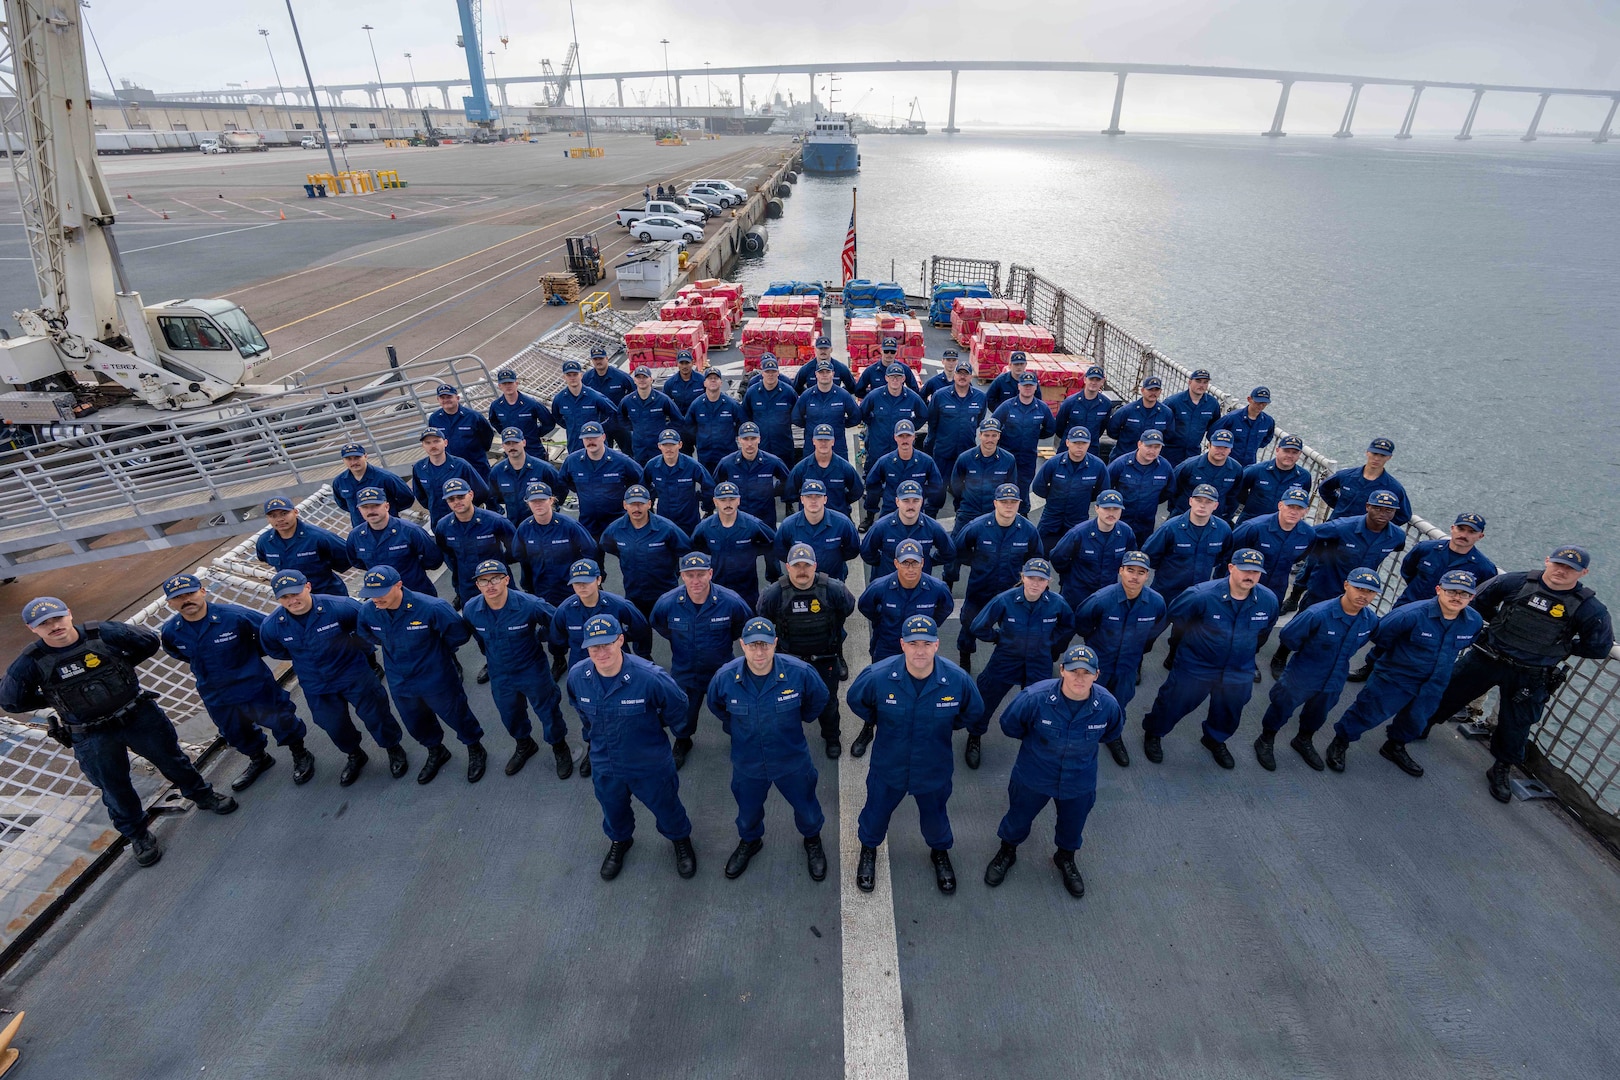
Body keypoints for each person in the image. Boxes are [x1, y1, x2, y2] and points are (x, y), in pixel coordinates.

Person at [2, 597, 237, 868]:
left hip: (138, 716)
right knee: (114, 787)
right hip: (92, 734)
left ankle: (202, 795)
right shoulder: (31, 663)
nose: (53, 626)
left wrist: (122, 665)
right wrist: (54, 698)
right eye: (43, 624)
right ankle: (138, 836)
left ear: (68, 613)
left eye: (56, 618)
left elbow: (147, 642)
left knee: (172, 759)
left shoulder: (104, 633)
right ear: (33, 629)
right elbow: (11, 701)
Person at [1423, 548, 1613, 801]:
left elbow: (1599, 646)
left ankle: (1501, 767)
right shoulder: (1515, 582)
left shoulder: (1589, 608)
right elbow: (1479, 601)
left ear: (1584, 573)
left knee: (1517, 724)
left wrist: (1560, 647)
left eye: (1570, 568)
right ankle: (1419, 726)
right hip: (1487, 657)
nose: (1561, 570)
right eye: (1558, 563)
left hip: (1530, 674)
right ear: (1547, 561)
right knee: (1448, 693)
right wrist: (1500, 622)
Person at [847, 615, 985, 895]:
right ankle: (869, 850)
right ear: (902, 644)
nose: (919, 650)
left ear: (937, 645)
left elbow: (972, 712)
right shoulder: (878, 676)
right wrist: (878, 720)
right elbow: (856, 700)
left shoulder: (956, 680)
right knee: (875, 813)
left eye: (926, 643)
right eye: (912, 643)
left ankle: (939, 853)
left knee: (935, 817)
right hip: (889, 764)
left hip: (933, 766)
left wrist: (944, 725)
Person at [983, 644, 1124, 898]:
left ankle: (1065, 858)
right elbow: (1009, 725)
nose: (1079, 678)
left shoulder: (1108, 705)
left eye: (1086, 672)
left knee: (1073, 825)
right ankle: (1008, 851)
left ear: (1097, 674)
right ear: (1061, 670)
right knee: (1018, 817)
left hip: (1078, 780)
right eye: (1073, 671)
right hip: (1034, 775)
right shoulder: (1034, 698)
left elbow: (1111, 734)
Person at [567, 613, 698, 880]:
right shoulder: (578, 676)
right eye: (594, 646)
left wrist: (652, 725)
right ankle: (620, 841)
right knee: (612, 808)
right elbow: (582, 712)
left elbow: (678, 707)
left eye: (607, 644)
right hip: (606, 762)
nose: (601, 652)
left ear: (621, 641)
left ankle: (680, 840)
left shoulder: (650, 677)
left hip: (648, 761)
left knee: (666, 806)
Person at [159, 574, 314, 790]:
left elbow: (268, 633)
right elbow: (177, 652)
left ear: (202, 591)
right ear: (170, 603)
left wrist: (250, 660)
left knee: (281, 720)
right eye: (178, 597)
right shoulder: (171, 631)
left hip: (253, 686)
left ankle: (300, 753)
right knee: (235, 732)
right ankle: (259, 759)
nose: (186, 600)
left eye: (190, 593)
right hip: (216, 694)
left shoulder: (234, 616)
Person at [1328, 570, 1486, 778]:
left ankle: (1395, 746)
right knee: (1369, 711)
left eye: (1463, 594)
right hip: (1396, 677)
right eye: (1451, 591)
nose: (1457, 597)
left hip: (1434, 682)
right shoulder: (1410, 615)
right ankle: (1341, 742)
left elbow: (1465, 642)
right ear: (1439, 590)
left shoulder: (1473, 621)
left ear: (1472, 597)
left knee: (1416, 719)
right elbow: (1381, 636)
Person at [706, 618, 831, 880]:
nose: (759, 652)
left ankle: (812, 840)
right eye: (753, 646)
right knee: (748, 810)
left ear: (776, 643)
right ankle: (751, 841)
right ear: (742, 645)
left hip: (791, 758)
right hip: (748, 761)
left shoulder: (800, 672)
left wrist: (800, 719)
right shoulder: (725, 678)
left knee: (807, 807)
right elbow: (717, 706)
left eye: (765, 645)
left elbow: (818, 698)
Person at [259, 570, 406, 786]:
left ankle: (393, 747)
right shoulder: (272, 626)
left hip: (353, 674)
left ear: (307, 586)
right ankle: (355, 754)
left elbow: (366, 626)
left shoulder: (340, 607)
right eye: (285, 597)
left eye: (295, 593)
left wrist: (359, 650)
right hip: (316, 684)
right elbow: (276, 650)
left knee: (377, 715)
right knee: (333, 725)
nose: (292, 600)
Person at [1140, 549, 1281, 769]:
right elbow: (1176, 617)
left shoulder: (1268, 600)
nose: (1250, 576)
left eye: (1256, 572)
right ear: (1231, 568)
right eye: (1245, 569)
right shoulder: (1201, 595)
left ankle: (1215, 739)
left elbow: (1264, 631)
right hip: (1197, 664)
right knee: (1174, 703)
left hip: (1238, 668)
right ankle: (1154, 733)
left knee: (1230, 709)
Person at [354, 566, 487, 784]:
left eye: (381, 593)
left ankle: (475, 748)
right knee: (416, 722)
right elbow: (367, 634)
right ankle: (436, 751)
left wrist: (438, 653)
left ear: (398, 585)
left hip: (436, 676)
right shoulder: (369, 611)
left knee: (456, 715)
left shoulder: (431, 607)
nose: (375, 599)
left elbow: (459, 635)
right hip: (400, 681)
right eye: (370, 594)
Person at [1252, 568, 1382, 771]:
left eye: (1370, 592)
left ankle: (1303, 739)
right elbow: (1289, 637)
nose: (1364, 596)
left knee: (1319, 712)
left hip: (1336, 675)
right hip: (1305, 671)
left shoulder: (1370, 620)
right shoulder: (1318, 613)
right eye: (1359, 588)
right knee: (1283, 706)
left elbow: (1361, 641)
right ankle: (1266, 739)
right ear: (1346, 585)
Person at [1349, 512, 1496, 682]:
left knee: (1427, 649)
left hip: (1444, 617)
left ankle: (1404, 679)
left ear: (1480, 536)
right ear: (1452, 528)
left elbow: (1481, 596)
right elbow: (1408, 570)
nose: (1464, 535)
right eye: (1461, 529)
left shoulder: (1484, 568)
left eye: (1471, 532)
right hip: (1411, 603)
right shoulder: (1426, 549)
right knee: (1389, 637)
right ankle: (1370, 667)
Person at [461, 560, 574, 779]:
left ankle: (559, 746)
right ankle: (525, 744)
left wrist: (545, 638)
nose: (490, 585)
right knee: (510, 714)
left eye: (495, 579)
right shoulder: (472, 609)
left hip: (532, 669)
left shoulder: (529, 604)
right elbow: (478, 637)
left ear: (506, 580)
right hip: (500, 672)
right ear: (477, 585)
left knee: (548, 711)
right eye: (483, 581)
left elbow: (558, 622)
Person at [650, 552, 753, 770]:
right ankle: (683, 740)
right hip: (686, 670)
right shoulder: (667, 603)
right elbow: (659, 624)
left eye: (700, 574)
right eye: (689, 575)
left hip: (722, 669)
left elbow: (743, 627)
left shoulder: (731, 601)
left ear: (710, 573)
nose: (695, 581)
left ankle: (739, 740)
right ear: (682, 576)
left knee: (733, 710)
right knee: (683, 712)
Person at [967, 559, 1076, 762]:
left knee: (1041, 704)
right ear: (1022, 577)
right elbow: (978, 626)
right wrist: (999, 638)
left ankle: (1035, 740)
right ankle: (975, 735)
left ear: (1048, 582)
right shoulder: (1004, 600)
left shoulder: (1057, 604)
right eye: (1031, 578)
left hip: (1039, 662)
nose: (1035, 584)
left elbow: (1068, 625)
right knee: (987, 698)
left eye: (1041, 579)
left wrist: (1049, 641)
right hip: (1006, 659)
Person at [757, 543, 859, 758]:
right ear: (787, 566)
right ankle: (788, 741)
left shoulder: (833, 589)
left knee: (828, 703)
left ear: (815, 566)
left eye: (806, 565)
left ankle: (832, 738)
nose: (801, 570)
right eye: (796, 565)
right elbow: (763, 622)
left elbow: (847, 608)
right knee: (786, 704)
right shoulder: (774, 594)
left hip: (825, 659)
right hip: (788, 662)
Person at [1277, 489, 1406, 647]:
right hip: (1326, 584)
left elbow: (1400, 549)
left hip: (1357, 590)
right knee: (1304, 621)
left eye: (1389, 510)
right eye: (1377, 508)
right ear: (1367, 507)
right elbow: (1310, 534)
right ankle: (1281, 654)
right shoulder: (1342, 527)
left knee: (1337, 627)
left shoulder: (1397, 536)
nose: (1383, 513)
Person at [946, 484, 1044, 673]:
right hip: (980, 587)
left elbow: (1036, 558)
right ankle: (965, 658)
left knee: (1013, 629)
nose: (1008, 506)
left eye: (1013, 502)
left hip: (1010, 589)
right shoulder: (978, 526)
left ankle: (1006, 664)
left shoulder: (1028, 530)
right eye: (1004, 502)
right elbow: (959, 549)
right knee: (970, 625)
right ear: (995, 503)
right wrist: (976, 563)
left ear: (1018, 504)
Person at [1142, 484, 1234, 667]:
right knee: (1150, 631)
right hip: (1166, 591)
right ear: (1190, 501)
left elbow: (1224, 556)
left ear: (1215, 506)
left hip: (1197, 594)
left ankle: (1173, 657)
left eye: (1208, 502)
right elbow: (1149, 555)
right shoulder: (1171, 527)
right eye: (1199, 500)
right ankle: (1136, 663)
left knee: (1184, 632)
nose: (1202, 505)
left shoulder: (1223, 529)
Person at [1075, 551, 1168, 719]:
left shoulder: (1156, 602)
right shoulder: (1101, 599)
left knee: (1119, 703)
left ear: (1147, 575)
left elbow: (1156, 628)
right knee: (1088, 699)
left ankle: (1113, 733)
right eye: (1130, 570)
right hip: (1100, 662)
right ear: (1120, 571)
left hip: (1129, 665)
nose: (1135, 576)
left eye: (1141, 572)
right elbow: (1083, 623)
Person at [1229, 487, 1316, 655]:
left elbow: (1299, 556)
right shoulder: (1254, 527)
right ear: (1280, 505)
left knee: (1264, 623)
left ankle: (1249, 657)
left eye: (1299, 508)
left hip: (1276, 586)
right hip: (1242, 583)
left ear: (1306, 511)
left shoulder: (1308, 534)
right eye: (1290, 506)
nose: (1294, 512)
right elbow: (1229, 551)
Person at [857, 538, 956, 668]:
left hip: (919, 649)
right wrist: (881, 620)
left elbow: (946, 607)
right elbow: (865, 606)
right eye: (905, 563)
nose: (910, 569)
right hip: (888, 645)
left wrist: (931, 624)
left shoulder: (938, 588)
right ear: (896, 563)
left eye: (915, 563)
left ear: (922, 563)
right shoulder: (879, 587)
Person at [513, 481, 600, 626]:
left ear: (551, 500)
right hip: (542, 589)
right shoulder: (524, 529)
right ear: (527, 503)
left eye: (542, 500)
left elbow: (590, 550)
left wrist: (588, 579)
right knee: (552, 631)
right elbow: (520, 556)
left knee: (577, 626)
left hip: (570, 588)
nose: (538, 504)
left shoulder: (569, 525)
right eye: (534, 501)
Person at [599, 486, 692, 618]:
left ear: (649, 504)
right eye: (632, 504)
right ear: (625, 505)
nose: (637, 509)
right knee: (640, 634)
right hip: (634, 592)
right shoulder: (615, 529)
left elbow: (686, 549)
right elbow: (608, 546)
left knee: (676, 634)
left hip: (666, 592)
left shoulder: (667, 528)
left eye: (641, 504)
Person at [549, 559, 652, 672]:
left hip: (615, 661)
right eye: (577, 583)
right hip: (582, 662)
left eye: (587, 581)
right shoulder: (564, 610)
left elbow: (640, 628)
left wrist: (619, 638)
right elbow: (557, 638)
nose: (582, 586)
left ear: (598, 580)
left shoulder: (619, 604)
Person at [434, 478, 517, 615]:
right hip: (468, 585)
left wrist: (500, 563)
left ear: (471, 494)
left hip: (497, 581)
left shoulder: (495, 521)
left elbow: (515, 549)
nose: (457, 502)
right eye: (451, 499)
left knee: (511, 616)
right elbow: (447, 553)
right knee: (476, 622)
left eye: (461, 496)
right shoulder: (444, 527)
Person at [690, 481, 776, 609]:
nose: (728, 504)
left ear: (738, 501)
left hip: (747, 590)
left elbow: (772, 544)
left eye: (732, 499)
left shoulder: (753, 524)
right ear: (715, 502)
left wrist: (754, 552)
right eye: (723, 500)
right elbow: (695, 547)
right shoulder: (705, 527)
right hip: (717, 588)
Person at [346, 486, 445, 596]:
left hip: (416, 593)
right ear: (359, 510)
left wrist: (414, 570)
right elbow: (356, 561)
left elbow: (433, 559)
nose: (370, 511)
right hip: (382, 597)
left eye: (376, 506)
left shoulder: (410, 531)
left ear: (387, 506)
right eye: (365, 507)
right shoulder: (355, 537)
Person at [1049, 490, 1138, 612]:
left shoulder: (1126, 532)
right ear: (1096, 508)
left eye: (1116, 509)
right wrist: (1070, 577)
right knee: (1069, 626)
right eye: (1106, 508)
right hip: (1077, 593)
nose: (1111, 513)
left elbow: (1130, 560)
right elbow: (1057, 558)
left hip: (1107, 592)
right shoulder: (1078, 533)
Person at [255, 497, 352, 597]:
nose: (280, 519)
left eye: (284, 513)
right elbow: (263, 557)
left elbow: (347, 557)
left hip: (329, 595)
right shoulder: (265, 542)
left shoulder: (320, 537)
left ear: (295, 512)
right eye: (273, 516)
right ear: (268, 519)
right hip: (295, 600)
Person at [1031, 425, 1108, 552]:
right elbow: (1038, 487)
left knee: (1074, 557)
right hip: (1052, 517)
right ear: (1067, 442)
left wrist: (1084, 498)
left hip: (1077, 519)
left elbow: (1101, 492)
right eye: (1075, 442)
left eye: (1083, 443)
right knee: (1040, 553)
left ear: (1089, 444)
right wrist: (1053, 498)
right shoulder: (1053, 463)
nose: (1079, 446)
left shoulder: (1098, 466)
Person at [560, 421, 644, 537]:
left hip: (617, 522)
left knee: (625, 554)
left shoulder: (622, 461)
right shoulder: (572, 461)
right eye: (587, 438)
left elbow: (642, 481)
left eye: (594, 437)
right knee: (591, 554)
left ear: (603, 437)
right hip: (589, 523)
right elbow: (562, 483)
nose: (591, 441)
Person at [860, 480, 955, 576]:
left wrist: (928, 562)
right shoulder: (881, 526)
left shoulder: (933, 527)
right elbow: (867, 552)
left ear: (921, 501)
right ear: (897, 502)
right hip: (888, 584)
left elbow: (948, 552)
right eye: (905, 500)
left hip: (919, 585)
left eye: (915, 500)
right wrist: (884, 564)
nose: (910, 506)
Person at [992, 372, 1058, 509]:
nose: (1027, 388)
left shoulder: (1042, 408)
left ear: (1035, 387)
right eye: (1025, 385)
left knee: (1023, 488)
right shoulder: (1007, 406)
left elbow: (1050, 428)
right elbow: (993, 426)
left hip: (1027, 457)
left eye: (1031, 385)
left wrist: (1034, 436)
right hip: (1006, 456)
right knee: (1002, 487)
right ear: (1019, 386)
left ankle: (1022, 513)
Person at [923, 358, 988, 498]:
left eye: (966, 374)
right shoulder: (940, 396)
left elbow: (978, 420)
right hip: (943, 452)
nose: (962, 377)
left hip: (965, 452)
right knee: (937, 492)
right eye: (960, 373)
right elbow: (933, 421)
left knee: (961, 493)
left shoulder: (980, 397)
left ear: (971, 376)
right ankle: (930, 515)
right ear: (955, 375)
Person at [774, 479, 861, 582]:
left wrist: (835, 560)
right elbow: (780, 550)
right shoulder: (788, 525)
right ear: (802, 499)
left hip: (833, 580)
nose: (813, 501)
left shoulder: (842, 523)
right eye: (808, 496)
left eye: (818, 496)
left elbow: (853, 549)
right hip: (802, 580)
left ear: (825, 499)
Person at [858, 365, 928, 492]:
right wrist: (873, 424)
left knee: (898, 477)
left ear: (903, 379)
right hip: (878, 444)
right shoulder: (874, 396)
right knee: (873, 477)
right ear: (886, 378)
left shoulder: (912, 397)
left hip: (899, 446)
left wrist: (911, 429)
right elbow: (862, 412)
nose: (895, 380)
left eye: (898, 377)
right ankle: (871, 498)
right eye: (892, 377)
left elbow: (923, 415)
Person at [947, 418, 1019, 542]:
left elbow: (1011, 487)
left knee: (993, 548)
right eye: (986, 435)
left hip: (994, 513)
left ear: (999, 436)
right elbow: (955, 486)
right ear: (980, 435)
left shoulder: (1008, 460)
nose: (990, 439)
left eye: (994, 435)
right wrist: (962, 505)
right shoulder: (965, 458)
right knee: (955, 547)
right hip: (968, 511)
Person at [411, 427, 491, 532]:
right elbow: (420, 495)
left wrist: (465, 507)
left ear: (445, 443)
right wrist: (434, 506)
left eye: (436, 441)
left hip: (466, 520)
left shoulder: (461, 465)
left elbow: (482, 492)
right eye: (428, 443)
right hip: (439, 522)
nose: (433, 446)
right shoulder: (419, 468)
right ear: (423, 446)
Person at [1319, 437, 1412, 525]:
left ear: (1389, 457)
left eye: (1382, 455)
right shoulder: (1346, 476)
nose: (1377, 458)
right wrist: (1339, 506)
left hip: (1364, 535)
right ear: (1367, 453)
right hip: (1337, 527)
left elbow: (1404, 515)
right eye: (1374, 454)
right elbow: (1325, 488)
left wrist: (1379, 526)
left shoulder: (1393, 487)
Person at [1104, 427, 1175, 542]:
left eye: (1157, 447)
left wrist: (1150, 501)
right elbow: (1105, 487)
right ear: (1139, 444)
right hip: (1120, 521)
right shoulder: (1121, 464)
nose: (1152, 451)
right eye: (1148, 446)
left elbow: (1168, 491)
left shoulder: (1165, 467)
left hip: (1146, 524)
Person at [863, 420, 944, 520]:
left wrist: (919, 494)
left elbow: (937, 486)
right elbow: (871, 483)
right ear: (895, 437)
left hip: (914, 512)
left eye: (908, 436)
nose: (904, 440)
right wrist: (887, 494)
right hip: (890, 510)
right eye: (901, 436)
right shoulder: (885, 462)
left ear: (914, 437)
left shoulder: (926, 462)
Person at [717, 422, 791, 529]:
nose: (749, 443)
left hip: (765, 520)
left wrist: (773, 491)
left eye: (753, 438)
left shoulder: (772, 462)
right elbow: (715, 485)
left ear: (759, 439)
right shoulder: (727, 463)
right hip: (737, 521)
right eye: (745, 439)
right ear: (739, 440)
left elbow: (788, 482)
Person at [486, 428, 565, 528]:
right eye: (508, 443)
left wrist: (552, 509)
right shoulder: (497, 472)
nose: (512, 447)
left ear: (523, 442)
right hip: (514, 527)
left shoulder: (544, 469)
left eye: (515, 442)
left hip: (543, 526)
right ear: (503, 446)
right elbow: (494, 497)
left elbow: (561, 490)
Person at [642, 428, 714, 534]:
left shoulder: (692, 465)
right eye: (665, 445)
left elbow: (709, 487)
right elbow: (643, 488)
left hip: (689, 522)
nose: (669, 449)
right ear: (659, 446)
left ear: (680, 445)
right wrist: (649, 507)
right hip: (663, 520)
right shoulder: (652, 466)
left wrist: (707, 508)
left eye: (672, 445)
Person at [786, 424, 865, 516]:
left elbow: (857, 490)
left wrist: (841, 502)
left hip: (837, 519)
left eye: (827, 440)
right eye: (820, 440)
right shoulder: (801, 468)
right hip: (810, 520)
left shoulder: (845, 468)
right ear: (813, 441)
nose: (823, 443)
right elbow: (790, 492)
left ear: (833, 441)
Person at [330, 443, 414, 529]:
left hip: (389, 527)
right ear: (343, 460)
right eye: (348, 459)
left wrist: (390, 510)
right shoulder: (339, 482)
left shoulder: (385, 477)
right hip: (361, 530)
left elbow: (407, 497)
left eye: (357, 458)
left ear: (365, 456)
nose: (354, 462)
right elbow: (342, 503)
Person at [1231, 435, 1313, 523]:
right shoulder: (1256, 470)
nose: (1290, 455)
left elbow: (1301, 499)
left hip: (1281, 525)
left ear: (1300, 454)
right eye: (1286, 451)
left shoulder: (1304, 477)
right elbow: (1237, 488)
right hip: (1252, 520)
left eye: (1294, 452)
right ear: (1277, 450)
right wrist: (1248, 503)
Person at [791, 360, 862, 460]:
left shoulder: (843, 395)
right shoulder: (807, 396)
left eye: (827, 372)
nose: (824, 375)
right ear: (816, 374)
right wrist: (810, 424)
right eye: (821, 372)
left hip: (837, 446)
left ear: (833, 374)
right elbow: (796, 417)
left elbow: (856, 417)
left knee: (839, 474)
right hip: (812, 446)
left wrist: (841, 423)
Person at [427, 382, 496, 480]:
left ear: (457, 398)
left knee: (482, 494)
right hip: (449, 468)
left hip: (476, 466)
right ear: (438, 400)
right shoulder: (435, 419)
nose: (446, 400)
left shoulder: (474, 417)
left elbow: (487, 436)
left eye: (449, 397)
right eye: (442, 398)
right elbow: (433, 439)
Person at [1168, 429, 1244, 517]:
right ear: (1209, 445)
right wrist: (1176, 510)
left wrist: (1226, 514)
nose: (1221, 451)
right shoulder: (1189, 465)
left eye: (1225, 448)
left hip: (1215, 518)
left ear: (1231, 449)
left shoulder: (1236, 469)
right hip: (1184, 515)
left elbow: (1234, 496)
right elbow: (1172, 489)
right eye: (1217, 447)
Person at [741, 354, 801, 465]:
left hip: (783, 447)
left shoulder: (788, 392)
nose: (770, 375)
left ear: (778, 373)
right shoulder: (752, 392)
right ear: (762, 373)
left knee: (785, 479)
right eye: (767, 372)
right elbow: (745, 415)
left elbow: (798, 414)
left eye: (773, 372)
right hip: (760, 448)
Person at [619, 366, 684, 465]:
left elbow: (678, 420)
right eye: (638, 377)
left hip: (659, 446)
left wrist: (665, 431)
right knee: (642, 474)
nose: (642, 380)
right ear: (634, 380)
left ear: (651, 379)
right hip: (639, 447)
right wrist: (633, 428)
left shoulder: (662, 400)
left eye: (644, 377)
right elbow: (620, 417)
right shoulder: (628, 401)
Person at [551, 359, 619, 454]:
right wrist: (571, 426)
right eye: (569, 375)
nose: (572, 378)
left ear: (581, 375)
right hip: (575, 446)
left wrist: (600, 428)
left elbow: (614, 414)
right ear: (564, 377)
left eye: (575, 374)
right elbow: (557, 417)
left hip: (597, 447)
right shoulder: (559, 399)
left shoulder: (594, 396)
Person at [686, 368, 745, 475]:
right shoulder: (696, 405)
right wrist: (700, 440)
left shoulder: (731, 404)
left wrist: (730, 437)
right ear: (704, 383)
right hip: (705, 454)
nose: (713, 380)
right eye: (709, 378)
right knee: (708, 486)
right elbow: (689, 427)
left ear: (721, 383)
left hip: (727, 453)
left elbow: (742, 425)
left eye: (716, 378)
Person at [1105, 376, 1175, 462]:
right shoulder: (1127, 411)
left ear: (1160, 392)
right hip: (1124, 457)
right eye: (1150, 390)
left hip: (1150, 460)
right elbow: (1112, 431)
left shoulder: (1166, 413)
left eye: (1156, 390)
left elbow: (1169, 436)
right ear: (1142, 390)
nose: (1153, 393)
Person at [582, 346, 637, 453]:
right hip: (599, 425)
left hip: (620, 424)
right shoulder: (587, 378)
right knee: (602, 454)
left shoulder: (621, 377)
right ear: (592, 360)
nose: (598, 362)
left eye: (601, 359)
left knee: (630, 452)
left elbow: (635, 395)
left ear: (607, 358)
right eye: (595, 359)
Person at [1160, 368, 1220, 467]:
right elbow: (1160, 424)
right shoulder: (1173, 402)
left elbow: (1214, 427)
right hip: (1169, 452)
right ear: (1189, 382)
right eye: (1198, 381)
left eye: (1205, 382)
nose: (1201, 385)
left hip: (1193, 452)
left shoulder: (1212, 404)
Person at [486, 367, 556, 451]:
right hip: (511, 451)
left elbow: (549, 422)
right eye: (504, 384)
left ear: (516, 383)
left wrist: (535, 434)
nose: (508, 386)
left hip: (532, 449)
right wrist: (505, 433)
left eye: (510, 383)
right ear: (500, 386)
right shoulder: (496, 406)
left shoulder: (531, 404)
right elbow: (494, 421)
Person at [1053, 365, 1114, 459]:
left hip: (1091, 449)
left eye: (1097, 380)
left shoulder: (1106, 405)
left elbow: (1102, 428)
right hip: (1068, 449)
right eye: (1091, 379)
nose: (1094, 383)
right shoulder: (1070, 402)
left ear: (1102, 382)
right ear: (1085, 379)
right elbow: (1059, 427)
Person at [1211, 386, 1275, 468]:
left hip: (1249, 464)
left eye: (1264, 403)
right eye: (1258, 402)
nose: (1261, 406)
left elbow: (1268, 437)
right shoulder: (1232, 418)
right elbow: (1212, 433)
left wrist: (1254, 445)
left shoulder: (1268, 421)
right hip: (1227, 463)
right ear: (1249, 399)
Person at [792, 336, 858, 395]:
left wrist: (839, 394)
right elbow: (796, 388)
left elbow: (852, 388)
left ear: (831, 349)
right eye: (820, 348)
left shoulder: (841, 368)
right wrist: (810, 395)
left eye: (825, 348)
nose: (823, 351)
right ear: (815, 349)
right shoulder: (806, 369)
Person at [661, 351, 706, 439]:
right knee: (684, 451)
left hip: (699, 424)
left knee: (703, 450)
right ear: (677, 363)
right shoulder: (670, 383)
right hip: (681, 426)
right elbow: (664, 404)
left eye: (687, 363)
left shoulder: (702, 380)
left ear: (692, 362)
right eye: (682, 363)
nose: (684, 366)